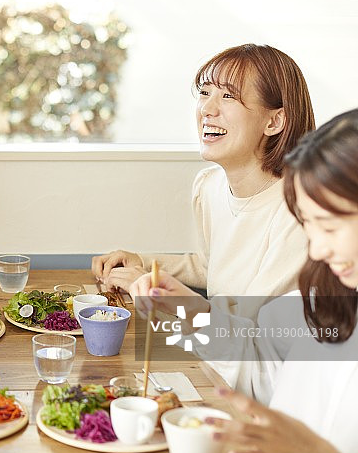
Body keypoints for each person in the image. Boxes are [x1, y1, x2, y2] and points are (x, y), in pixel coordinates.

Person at [132, 109, 358, 453]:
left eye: (329, 228)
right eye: (308, 226)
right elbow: (260, 368)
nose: (315, 251)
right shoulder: (325, 302)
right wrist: (193, 311)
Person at [92, 44, 315, 320]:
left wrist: (153, 292)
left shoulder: (300, 212)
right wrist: (143, 263)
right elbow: (212, 267)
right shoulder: (209, 186)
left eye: (228, 96)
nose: (207, 109)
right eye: (205, 93)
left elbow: (250, 326)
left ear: (274, 121)